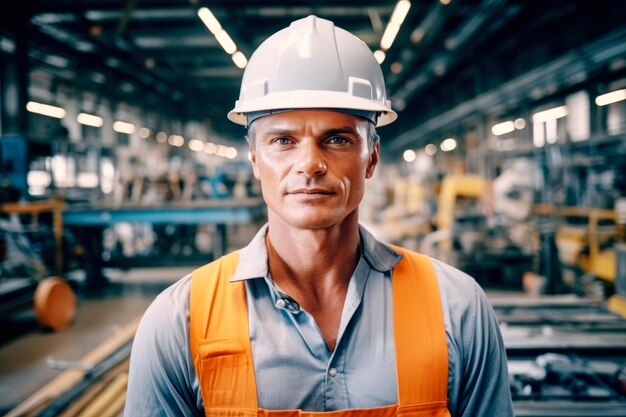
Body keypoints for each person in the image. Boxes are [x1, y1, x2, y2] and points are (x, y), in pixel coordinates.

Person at [125, 15, 514, 417]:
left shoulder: (457, 308)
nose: (309, 164)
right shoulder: (179, 322)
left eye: (337, 139)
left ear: (372, 157)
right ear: (255, 159)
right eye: (283, 140)